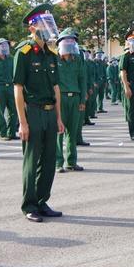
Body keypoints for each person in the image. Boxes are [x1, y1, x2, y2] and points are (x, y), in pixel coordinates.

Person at [13, 4, 66, 223]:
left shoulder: (51, 54)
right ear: (33, 27)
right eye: (43, 24)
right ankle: (29, 205)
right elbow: (17, 88)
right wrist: (22, 122)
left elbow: (56, 89)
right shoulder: (24, 52)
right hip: (32, 112)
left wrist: (59, 117)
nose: (48, 28)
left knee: (49, 159)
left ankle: (42, 201)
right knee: (32, 160)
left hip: (49, 112)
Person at [54, 29, 86, 173]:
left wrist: (82, 100)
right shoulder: (54, 60)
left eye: (72, 41)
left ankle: (72, 161)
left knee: (72, 133)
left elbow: (82, 80)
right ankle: (58, 162)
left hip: (75, 98)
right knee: (59, 131)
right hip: (61, 98)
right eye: (66, 41)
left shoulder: (78, 59)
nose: (70, 43)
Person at [0, 38, 18, 140]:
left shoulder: (11, 59)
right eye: (1, 46)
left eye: (5, 45)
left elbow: (15, 74)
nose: (4, 47)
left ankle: (12, 133)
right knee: (0, 113)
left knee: (13, 111)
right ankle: (3, 133)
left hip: (11, 87)